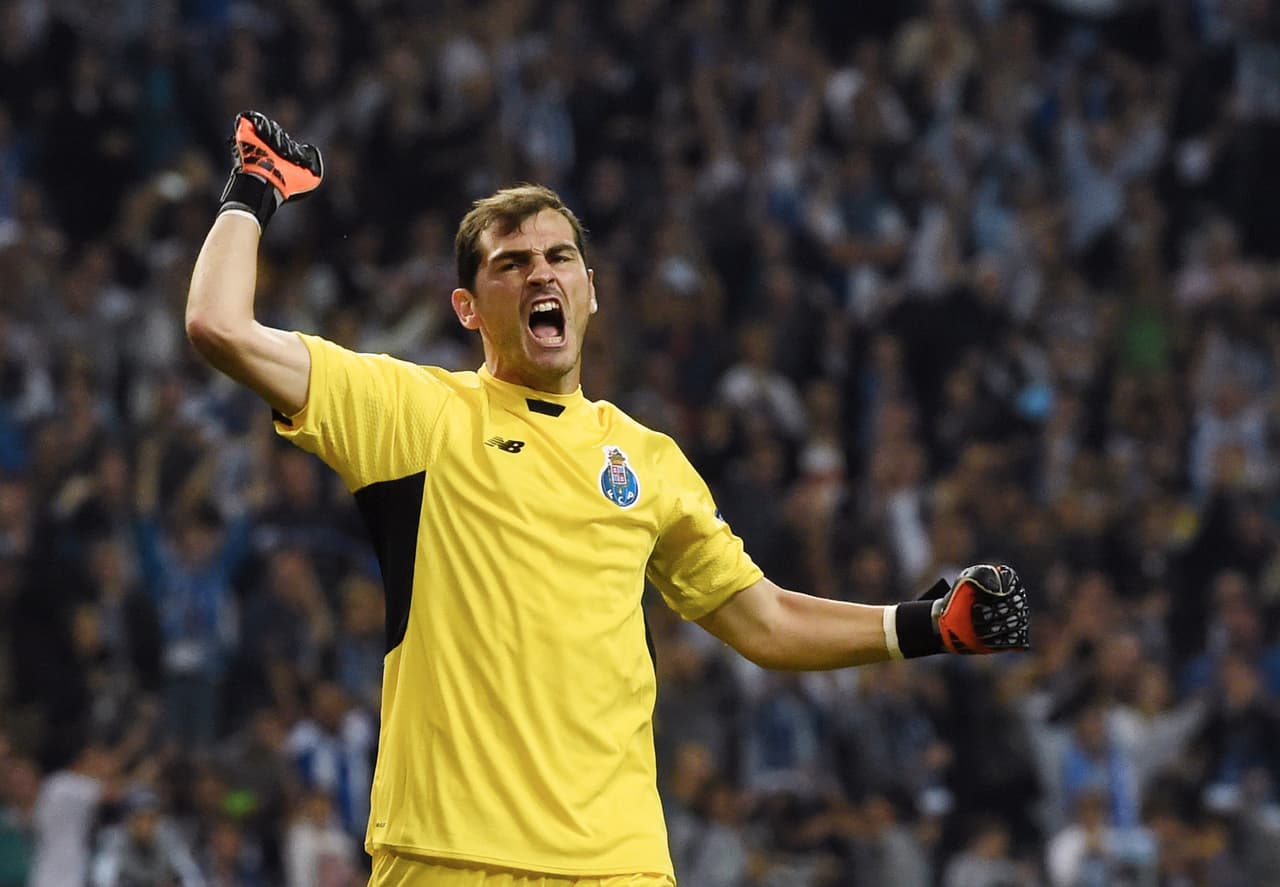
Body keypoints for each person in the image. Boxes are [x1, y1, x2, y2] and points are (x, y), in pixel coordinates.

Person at [184, 111, 1031, 887]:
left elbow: (764, 620)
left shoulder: (650, 460)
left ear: (590, 289)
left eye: (557, 258)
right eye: (509, 265)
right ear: (468, 308)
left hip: (618, 863)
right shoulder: (416, 415)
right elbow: (219, 325)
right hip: (451, 853)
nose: (538, 275)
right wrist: (254, 187)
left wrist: (927, 626)